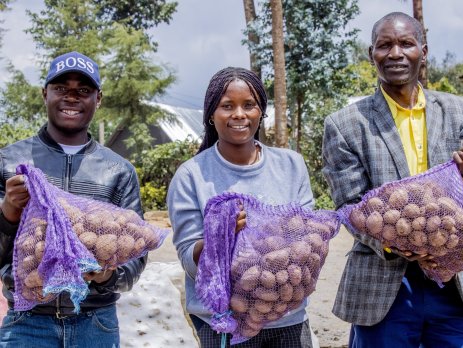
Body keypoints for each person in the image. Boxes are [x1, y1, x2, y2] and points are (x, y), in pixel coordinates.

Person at [322, 12, 463, 348]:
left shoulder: (457, 112)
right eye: (385, 45)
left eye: (406, 43)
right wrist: (400, 243)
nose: (395, 53)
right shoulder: (346, 124)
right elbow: (349, 205)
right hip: (384, 285)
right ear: (373, 54)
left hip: (453, 285)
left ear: (423, 51)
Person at [0, 51, 147, 347]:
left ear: (98, 98)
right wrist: (8, 211)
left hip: (96, 324)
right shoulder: (9, 162)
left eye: (83, 90)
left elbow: (137, 257)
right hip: (27, 324)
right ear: (45, 94)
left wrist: (107, 275)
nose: (71, 97)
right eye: (61, 88)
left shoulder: (118, 171)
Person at [167, 67, 316, 347]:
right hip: (224, 324)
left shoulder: (291, 165)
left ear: (261, 112)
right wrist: (217, 238)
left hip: (287, 318)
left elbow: (306, 238)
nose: (239, 114)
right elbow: (188, 259)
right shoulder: (192, 175)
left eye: (249, 105)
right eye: (227, 106)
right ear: (211, 115)